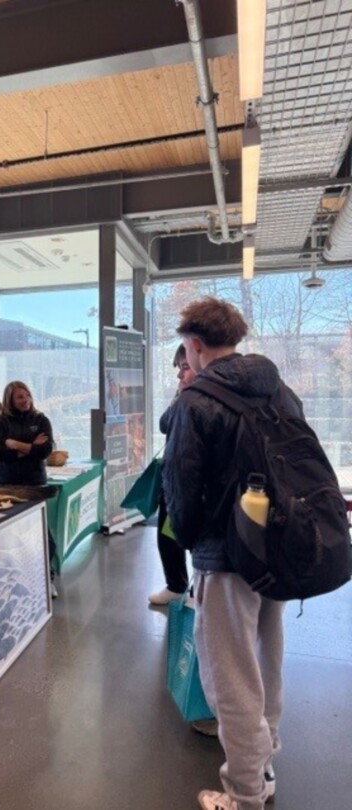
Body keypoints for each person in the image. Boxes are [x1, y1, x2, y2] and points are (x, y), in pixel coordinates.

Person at [162, 297, 304, 810]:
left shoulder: (198, 399)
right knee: (267, 660)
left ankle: (243, 794)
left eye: (185, 348)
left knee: (230, 677)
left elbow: (179, 485)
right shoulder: (279, 389)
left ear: (195, 345)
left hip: (224, 555)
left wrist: (192, 542)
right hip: (275, 547)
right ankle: (264, 763)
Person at [0, 380, 58, 596]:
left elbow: (45, 450)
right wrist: (31, 446)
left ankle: (47, 579)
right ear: (10, 399)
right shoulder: (0, 423)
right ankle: (13, 581)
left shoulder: (41, 419)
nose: (25, 400)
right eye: (20, 397)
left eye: (27, 395)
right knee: (12, 536)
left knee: (42, 536)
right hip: (6, 484)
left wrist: (17, 445)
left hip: (34, 483)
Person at [148, 344, 195, 606]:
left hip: (196, 486)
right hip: (173, 482)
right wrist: (180, 395)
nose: (179, 375)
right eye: (179, 369)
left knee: (198, 544)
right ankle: (176, 584)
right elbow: (165, 423)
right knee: (167, 537)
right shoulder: (184, 396)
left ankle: (198, 593)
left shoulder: (210, 399)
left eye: (185, 368)